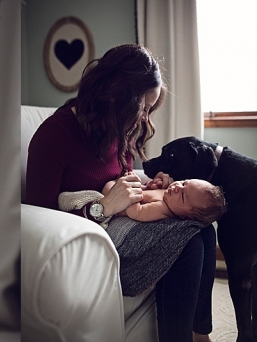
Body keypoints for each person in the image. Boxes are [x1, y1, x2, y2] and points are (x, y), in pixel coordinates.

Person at [26, 44, 216, 342]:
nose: (144, 118)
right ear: (117, 96)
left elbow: (123, 181)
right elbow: (39, 218)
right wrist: (104, 206)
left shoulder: (118, 131)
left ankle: (198, 332)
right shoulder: (55, 134)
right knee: (190, 242)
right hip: (95, 241)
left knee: (205, 231)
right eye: (143, 107)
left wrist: (153, 186)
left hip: (125, 224)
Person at [102, 176, 227, 224]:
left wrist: (132, 189)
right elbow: (147, 192)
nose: (178, 187)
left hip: (114, 208)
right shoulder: (169, 197)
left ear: (185, 217)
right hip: (117, 194)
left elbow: (135, 212)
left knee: (109, 185)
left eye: (183, 196)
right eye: (184, 182)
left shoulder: (161, 208)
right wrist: (148, 186)